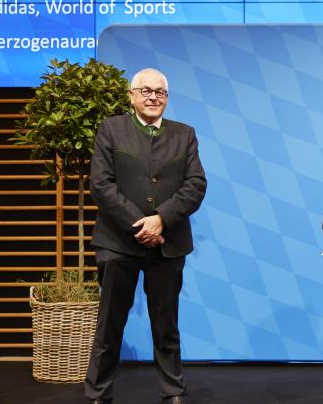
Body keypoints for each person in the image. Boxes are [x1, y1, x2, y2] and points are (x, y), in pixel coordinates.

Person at [85, 68, 207, 404]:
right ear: (132, 95)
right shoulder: (111, 129)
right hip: (117, 243)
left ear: (167, 98)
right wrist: (142, 224)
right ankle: (97, 393)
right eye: (146, 91)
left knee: (166, 325)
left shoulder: (185, 134)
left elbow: (195, 185)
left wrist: (161, 220)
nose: (153, 97)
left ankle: (173, 392)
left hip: (168, 244)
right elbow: (101, 185)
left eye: (160, 92)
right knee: (109, 324)